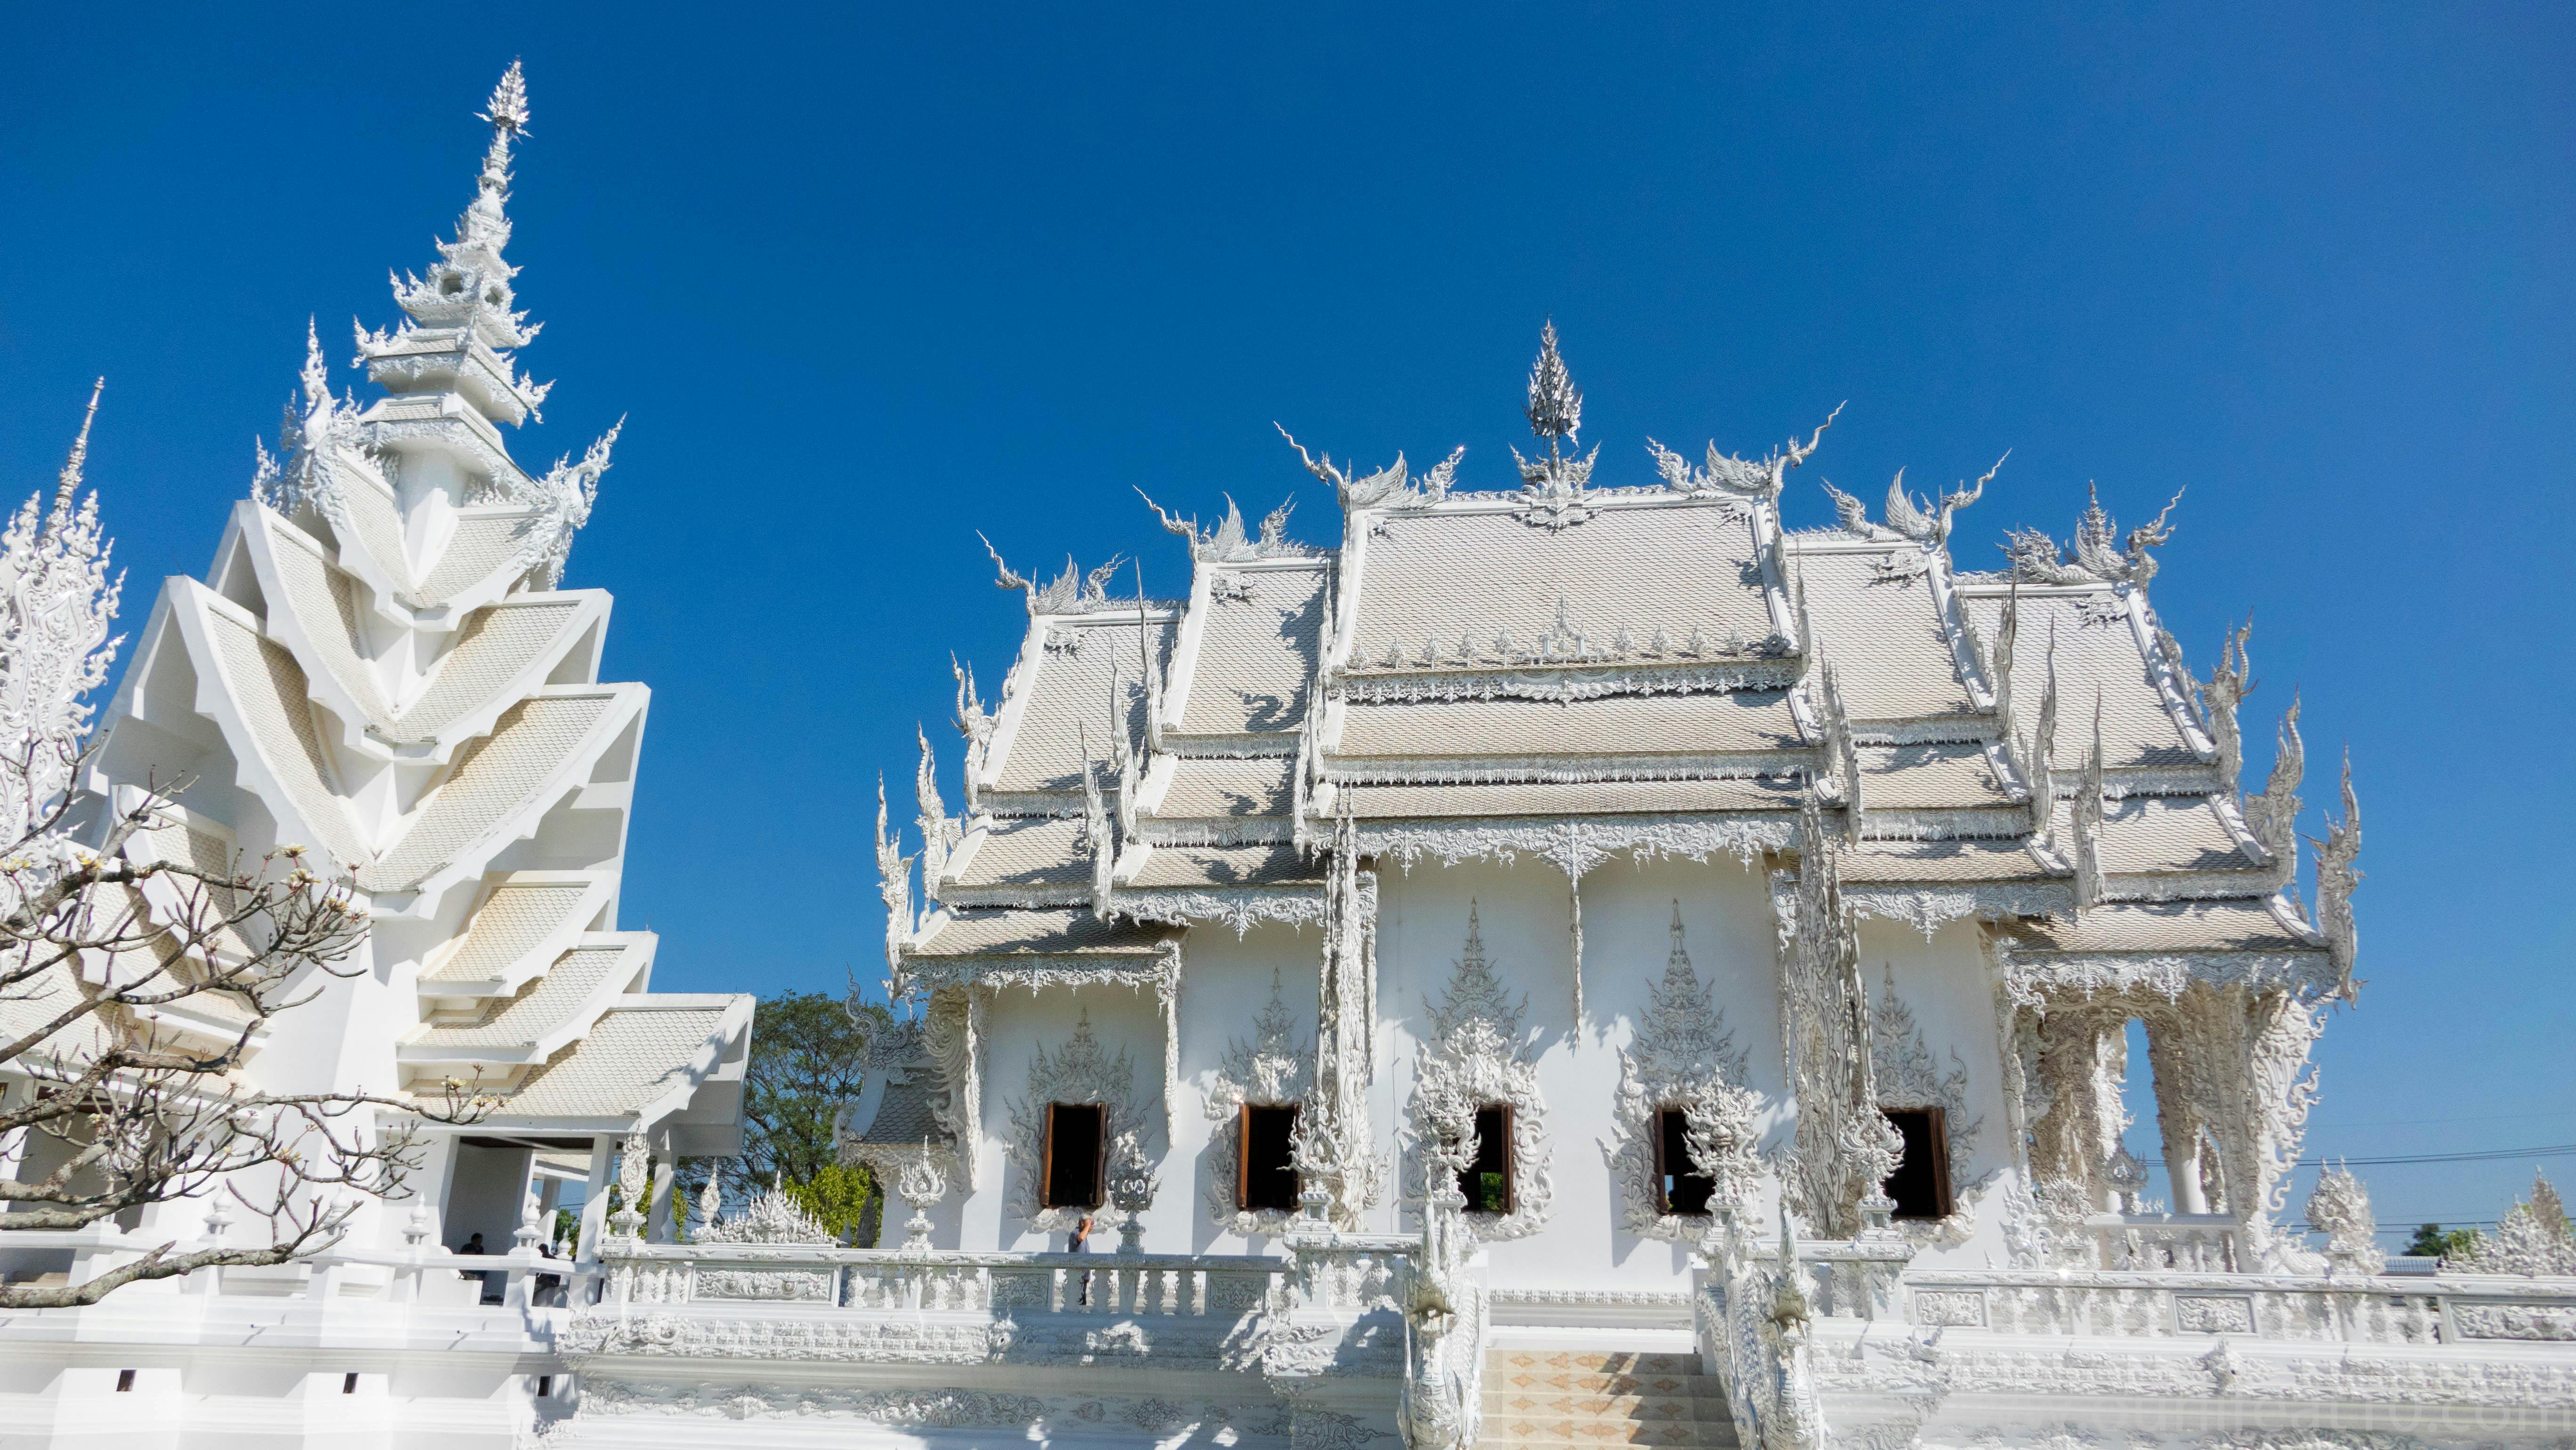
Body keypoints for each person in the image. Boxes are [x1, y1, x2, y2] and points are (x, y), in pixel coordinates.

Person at [1067, 1211, 1096, 1307]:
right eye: (1091, 1224)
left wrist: (1087, 1277)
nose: (1092, 1226)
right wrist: (1087, 1226)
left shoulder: (1085, 1237)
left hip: (1083, 1278)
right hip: (1076, 1277)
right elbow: (1080, 1238)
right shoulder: (1075, 1234)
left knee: (1082, 1303)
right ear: (1083, 1223)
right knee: (1076, 1303)